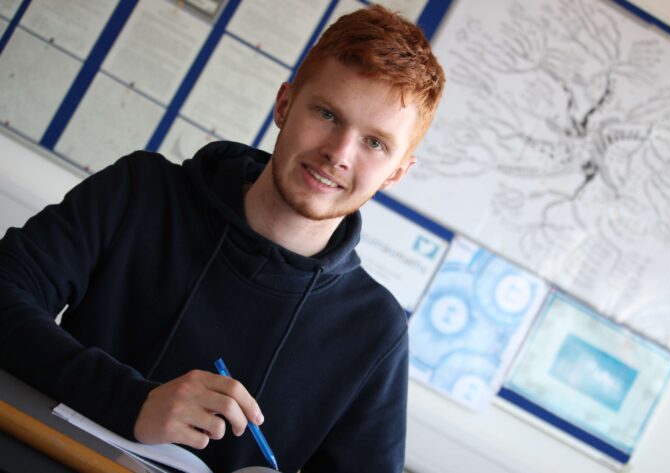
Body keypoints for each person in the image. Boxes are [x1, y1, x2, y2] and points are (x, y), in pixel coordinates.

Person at [0, 5, 444, 473]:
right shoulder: (141, 191)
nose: (338, 154)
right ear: (284, 105)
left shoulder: (374, 330)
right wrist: (132, 402)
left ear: (397, 171)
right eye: (328, 114)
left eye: (374, 143)